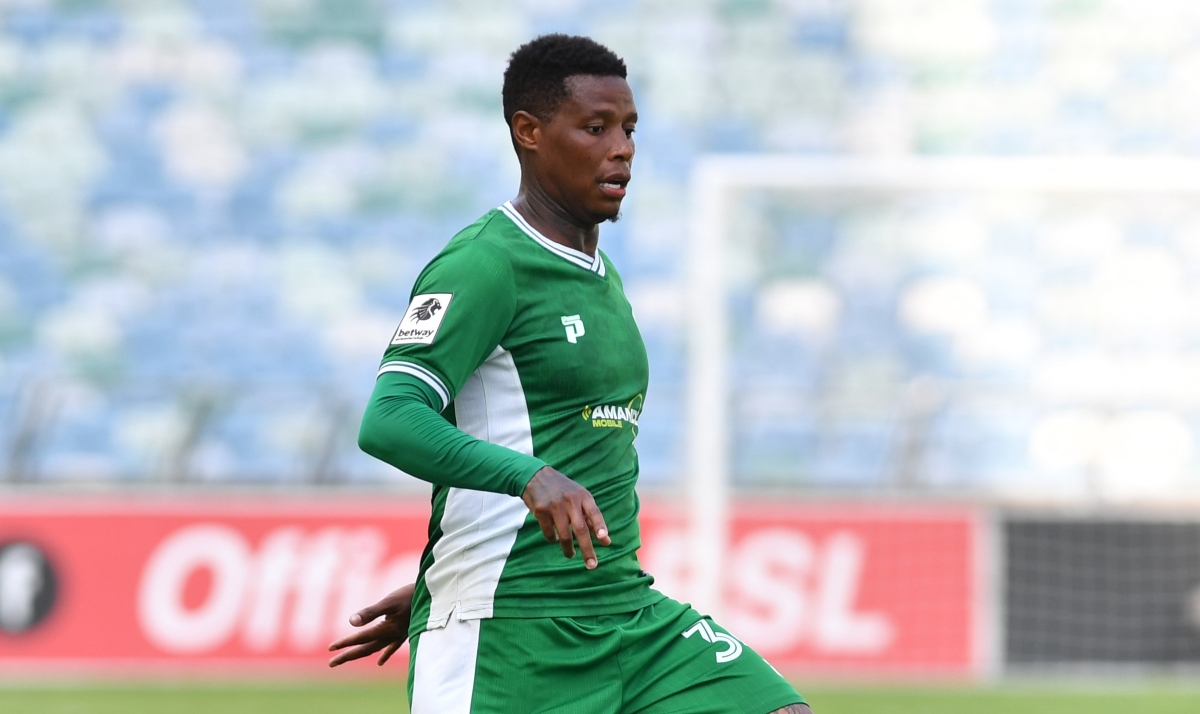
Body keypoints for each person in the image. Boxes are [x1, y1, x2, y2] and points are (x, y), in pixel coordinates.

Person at [328, 34, 811, 714]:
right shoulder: (484, 264)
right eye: (596, 127)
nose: (622, 147)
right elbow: (389, 418)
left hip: (624, 615)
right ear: (529, 132)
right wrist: (523, 486)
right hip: (510, 634)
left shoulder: (602, 278)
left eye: (629, 128)